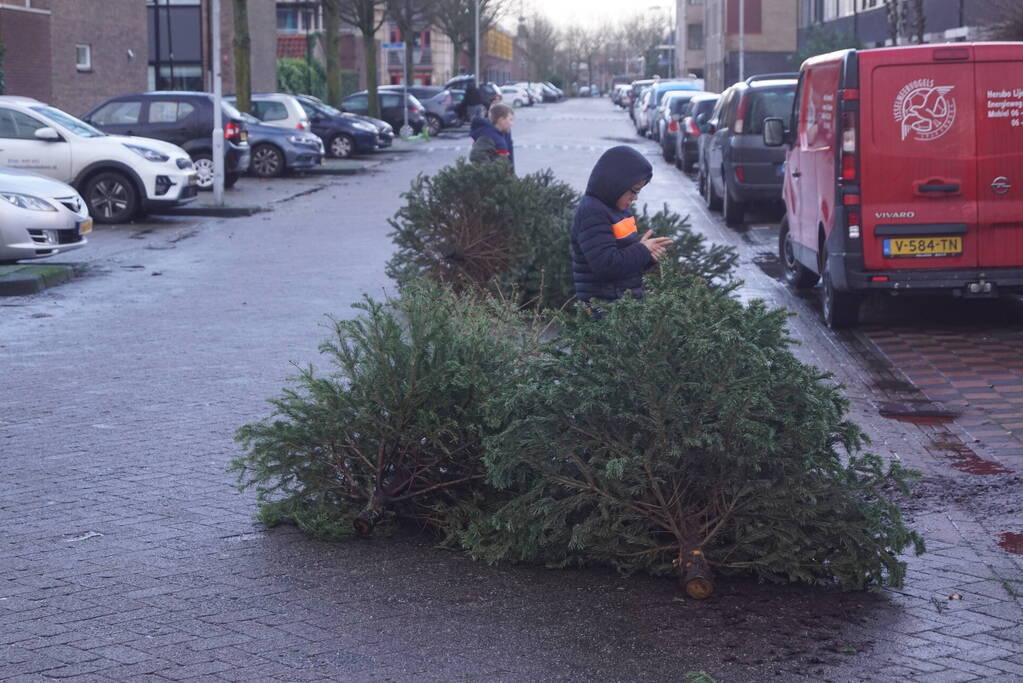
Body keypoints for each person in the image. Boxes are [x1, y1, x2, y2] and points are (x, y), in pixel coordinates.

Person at [570, 145, 673, 308]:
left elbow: (625, 262)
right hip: (604, 309)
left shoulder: (620, 209)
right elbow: (607, 265)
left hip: (624, 305)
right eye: (634, 191)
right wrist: (642, 249)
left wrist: (648, 257)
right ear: (616, 184)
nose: (635, 198)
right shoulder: (592, 211)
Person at [469, 103, 515, 173]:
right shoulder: (488, 136)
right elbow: (476, 156)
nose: (512, 123)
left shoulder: (502, 135)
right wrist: (493, 173)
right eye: (510, 120)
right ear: (501, 120)